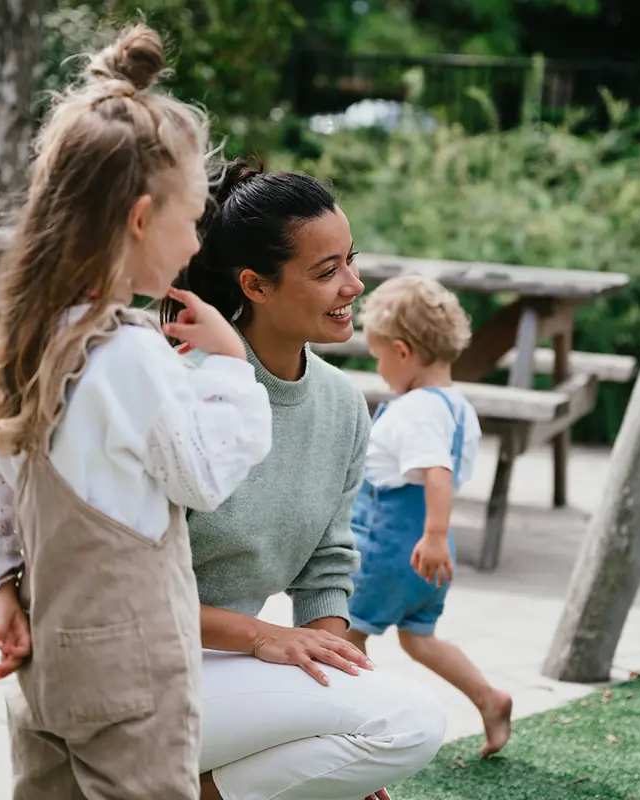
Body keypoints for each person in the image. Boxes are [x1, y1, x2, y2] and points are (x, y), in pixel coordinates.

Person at [0, 25, 272, 799]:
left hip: (47, 659)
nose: (192, 247)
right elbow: (205, 476)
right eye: (189, 222)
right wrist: (229, 368)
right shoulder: (132, 355)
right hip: (135, 670)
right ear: (141, 220)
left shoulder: (26, 339)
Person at [160, 160, 446, 800]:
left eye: (350, 259)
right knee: (414, 723)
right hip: (141, 674)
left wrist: (338, 735)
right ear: (255, 286)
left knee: (388, 729)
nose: (354, 283)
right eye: (327, 272)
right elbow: (134, 589)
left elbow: (327, 565)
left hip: (229, 675)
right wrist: (270, 641)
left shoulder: (344, 406)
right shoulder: (184, 387)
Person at [342, 275, 513, 760]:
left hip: (394, 547)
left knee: (343, 637)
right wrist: (437, 537)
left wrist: (433, 534)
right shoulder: (458, 406)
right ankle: (488, 697)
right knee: (419, 639)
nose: (378, 368)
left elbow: (436, 471)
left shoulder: (416, 410)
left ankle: (364, 725)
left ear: (402, 351)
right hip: (430, 553)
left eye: (377, 356)